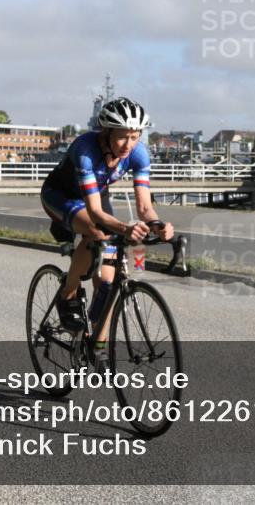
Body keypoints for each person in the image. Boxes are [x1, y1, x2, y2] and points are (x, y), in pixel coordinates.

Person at [40, 97, 174, 335]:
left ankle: (98, 352)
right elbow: (94, 213)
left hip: (96, 198)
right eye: (122, 136)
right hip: (61, 196)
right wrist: (125, 229)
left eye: (134, 137)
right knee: (96, 231)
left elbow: (144, 208)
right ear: (106, 132)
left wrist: (158, 224)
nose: (128, 144)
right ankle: (67, 295)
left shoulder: (139, 153)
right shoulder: (86, 150)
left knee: (107, 283)